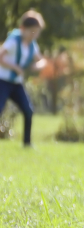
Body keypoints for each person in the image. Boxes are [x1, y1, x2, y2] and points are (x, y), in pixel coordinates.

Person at [0, 11, 47, 147]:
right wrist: (15, 67)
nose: (35, 35)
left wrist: (36, 66)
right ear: (23, 29)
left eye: (37, 32)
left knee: (28, 110)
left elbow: (41, 61)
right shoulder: (14, 41)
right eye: (32, 31)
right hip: (3, 81)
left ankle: (27, 143)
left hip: (16, 84)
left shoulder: (32, 45)